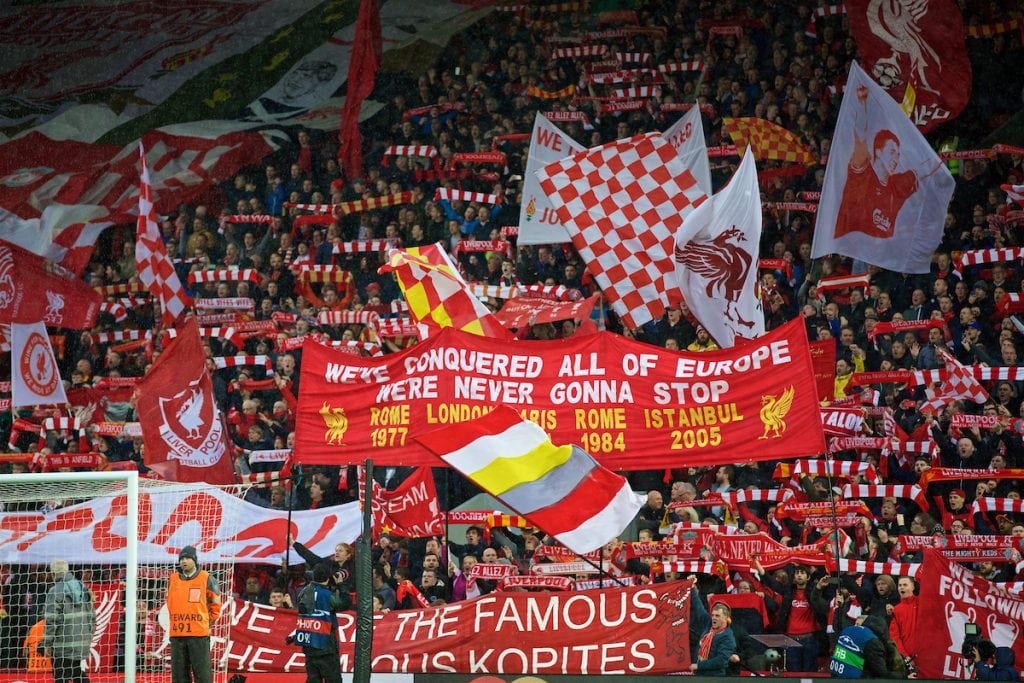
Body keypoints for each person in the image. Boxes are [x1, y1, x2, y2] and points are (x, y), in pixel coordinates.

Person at [167, 545, 221, 683]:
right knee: (179, 677)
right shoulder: (173, 579)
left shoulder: (207, 578)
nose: (184, 561)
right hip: (177, 635)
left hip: (198, 635)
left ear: (195, 560)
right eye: (181, 559)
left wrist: (206, 623)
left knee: (202, 676)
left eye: (187, 558)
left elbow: (216, 605)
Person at [290, 563, 351, 683]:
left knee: (313, 679)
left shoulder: (303, 592)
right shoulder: (327, 595)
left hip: (309, 646)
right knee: (333, 680)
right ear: (328, 578)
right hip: (326, 648)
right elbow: (345, 603)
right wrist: (341, 585)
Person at [42, 560, 95, 683]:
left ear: (53, 573)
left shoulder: (55, 591)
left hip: (62, 643)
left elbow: (51, 619)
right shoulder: (83, 587)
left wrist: (47, 643)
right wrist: (88, 635)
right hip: (81, 639)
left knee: (61, 675)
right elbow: (92, 616)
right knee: (75, 670)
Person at [687, 578, 737, 676]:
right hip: (699, 675)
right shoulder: (708, 624)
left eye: (717, 616)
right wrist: (692, 588)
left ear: (726, 618)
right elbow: (699, 608)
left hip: (715, 677)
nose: (714, 618)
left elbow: (721, 660)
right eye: (713, 615)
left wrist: (699, 666)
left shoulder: (728, 637)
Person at [829, 614, 897, 678]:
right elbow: (881, 673)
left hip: (835, 673)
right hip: (853, 678)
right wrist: (903, 677)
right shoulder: (871, 640)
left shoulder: (847, 630)